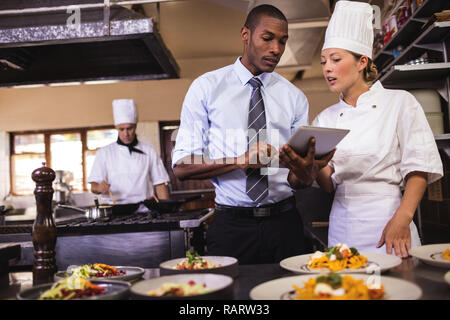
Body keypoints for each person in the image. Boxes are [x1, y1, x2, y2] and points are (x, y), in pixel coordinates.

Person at [279, 1, 443, 258]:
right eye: (323, 62)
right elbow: (328, 185)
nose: (327, 68)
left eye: (335, 59)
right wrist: (311, 166)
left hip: (390, 221)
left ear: (361, 62)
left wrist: (402, 219)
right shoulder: (326, 118)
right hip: (344, 226)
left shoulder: (399, 102)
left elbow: (419, 166)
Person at [171, 4, 322, 264]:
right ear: (245, 35)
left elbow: (299, 182)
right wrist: (240, 161)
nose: (276, 49)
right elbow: (183, 167)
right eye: (267, 38)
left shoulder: (294, 97)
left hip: (285, 224)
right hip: (231, 227)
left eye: (283, 41)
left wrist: (307, 170)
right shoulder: (206, 89)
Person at [88, 99, 170, 210]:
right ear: (116, 128)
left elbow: (160, 184)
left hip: (144, 209)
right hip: (115, 209)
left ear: (135, 126)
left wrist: (166, 210)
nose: (126, 133)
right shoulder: (104, 153)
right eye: (122, 129)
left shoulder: (149, 150)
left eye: (129, 128)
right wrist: (99, 187)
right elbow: (94, 186)